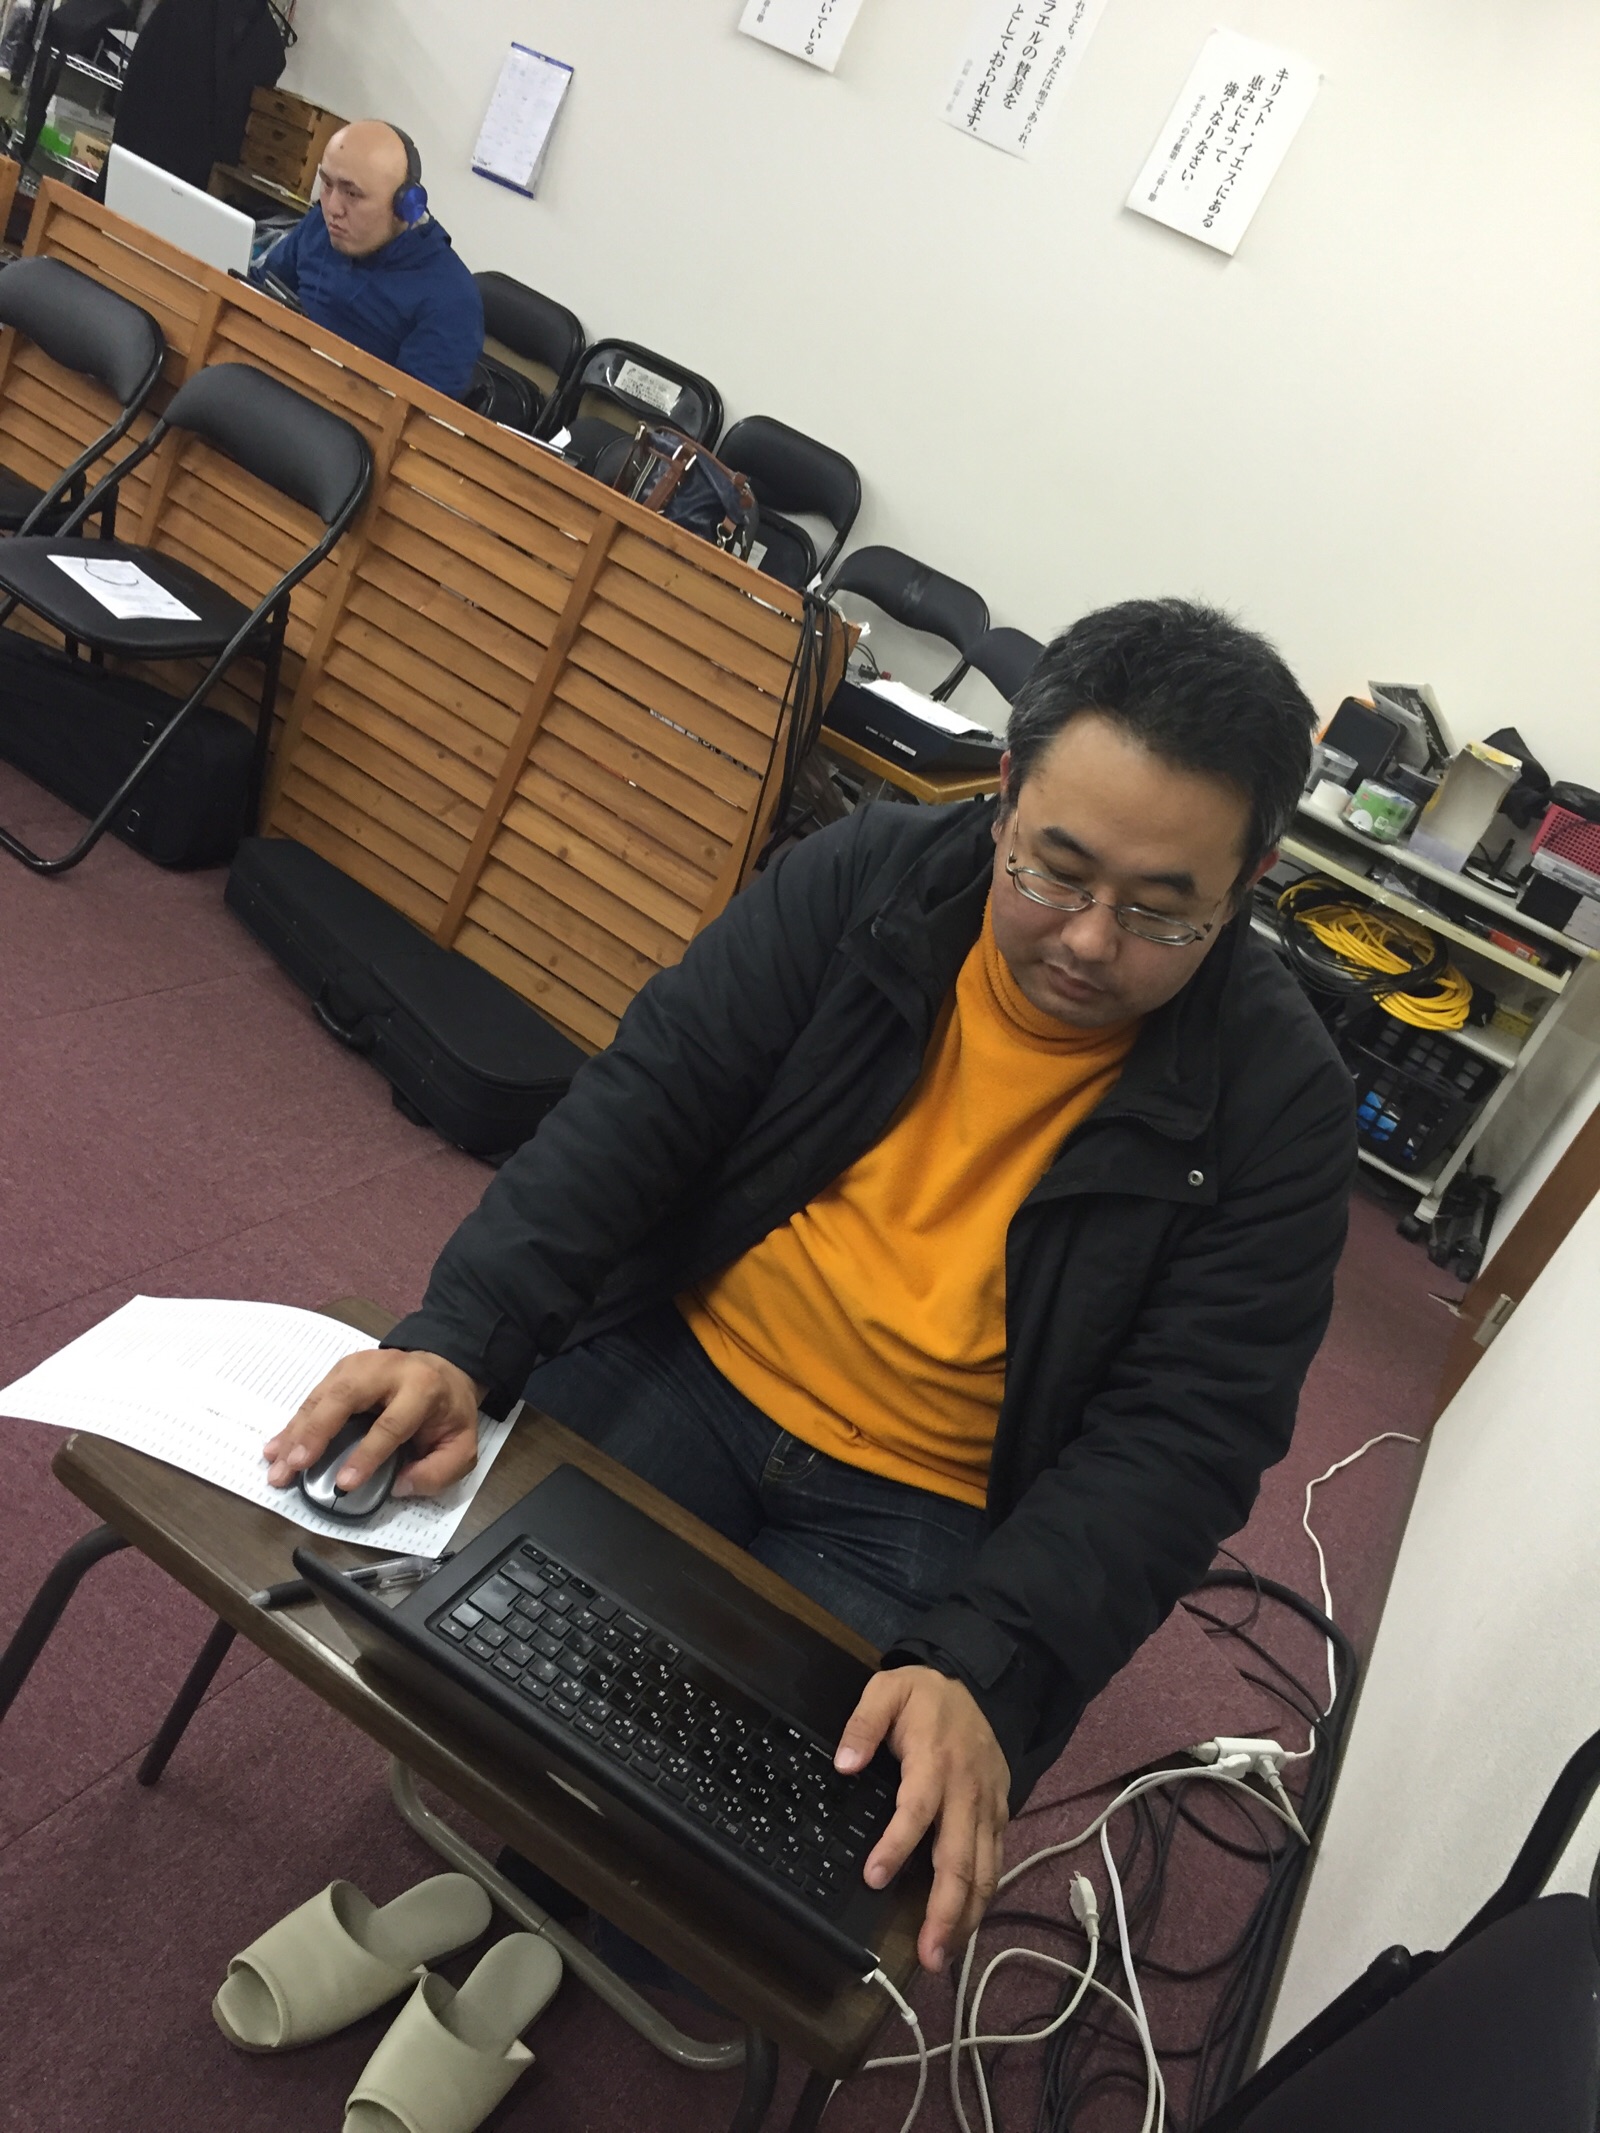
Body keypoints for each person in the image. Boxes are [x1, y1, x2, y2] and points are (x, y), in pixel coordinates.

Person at [264, 598, 1356, 1977]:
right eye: (1054, 870)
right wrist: (461, 1338)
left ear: (1248, 882)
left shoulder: (1281, 1102)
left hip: (935, 1502)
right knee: (448, 1635)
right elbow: (644, 1106)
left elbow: (1183, 1437)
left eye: (1159, 912)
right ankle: (506, 1887)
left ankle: (537, 1949)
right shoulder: (868, 880)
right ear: (1004, 792)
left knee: (759, 1868)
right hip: (690, 1359)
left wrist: (983, 1660)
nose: (1087, 942)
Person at [256, 120, 483, 400]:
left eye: (352, 194)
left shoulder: (451, 299)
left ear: (407, 207)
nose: (332, 208)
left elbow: (412, 416)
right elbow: (258, 290)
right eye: (327, 184)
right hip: (270, 379)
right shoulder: (320, 225)